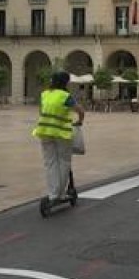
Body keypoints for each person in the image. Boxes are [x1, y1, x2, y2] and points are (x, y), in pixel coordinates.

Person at [32, 71, 86, 203]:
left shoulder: (44, 94)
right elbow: (80, 110)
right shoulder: (65, 96)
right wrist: (80, 121)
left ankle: (52, 193)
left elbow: (41, 111)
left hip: (44, 132)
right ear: (65, 82)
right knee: (64, 162)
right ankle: (60, 194)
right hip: (62, 134)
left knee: (50, 163)